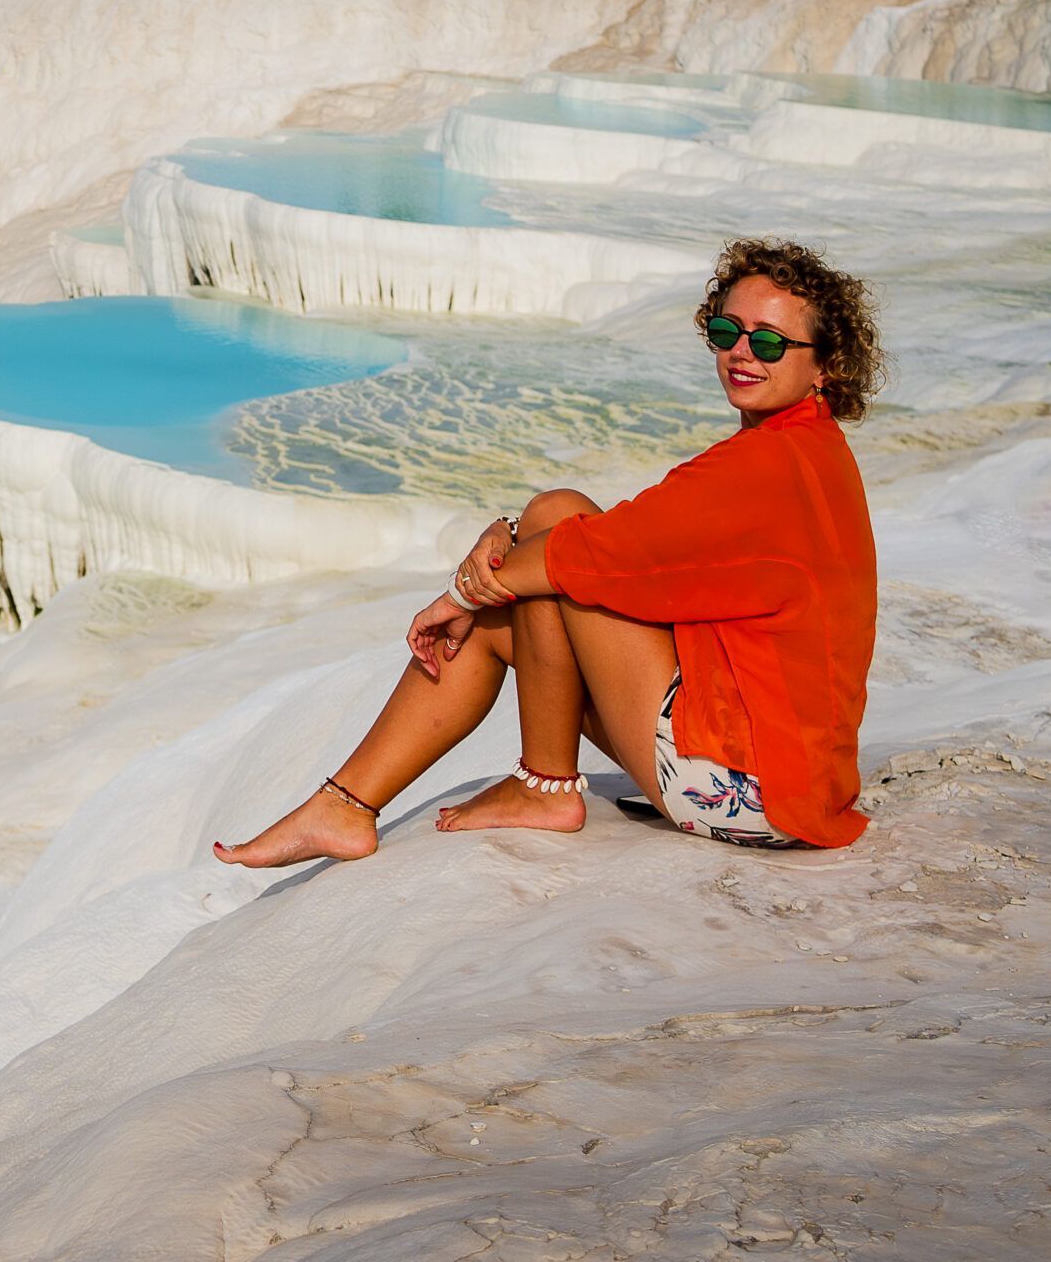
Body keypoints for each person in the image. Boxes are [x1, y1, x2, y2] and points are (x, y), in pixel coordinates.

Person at [216, 238, 885, 868]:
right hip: (795, 774)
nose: (742, 352)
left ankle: (535, 788)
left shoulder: (766, 466)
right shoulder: (806, 451)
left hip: (755, 790)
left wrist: (459, 595)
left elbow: (599, 556)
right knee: (553, 518)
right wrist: (510, 532)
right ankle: (344, 808)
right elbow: (635, 538)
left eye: (769, 340)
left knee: (547, 574)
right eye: (725, 331)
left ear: (824, 366)